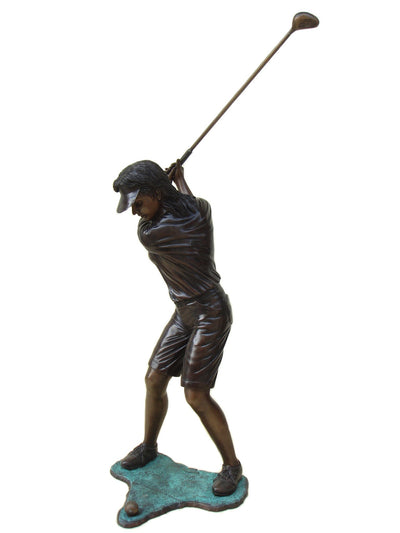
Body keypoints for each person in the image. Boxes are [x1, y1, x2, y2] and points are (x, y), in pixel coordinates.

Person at [113, 159, 242, 496]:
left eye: (138, 202)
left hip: (211, 313)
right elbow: (191, 205)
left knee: (195, 395)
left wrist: (173, 185)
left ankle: (232, 466)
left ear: (157, 193)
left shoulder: (151, 233)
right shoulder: (200, 212)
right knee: (154, 380)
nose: (135, 212)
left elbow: (166, 214)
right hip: (185, 312)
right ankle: (149, 448)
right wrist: (179, 183)